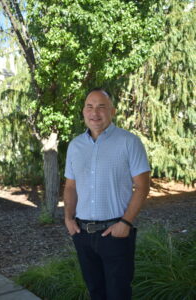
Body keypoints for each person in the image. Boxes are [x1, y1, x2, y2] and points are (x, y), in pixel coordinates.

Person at [63, 88, 150, 300]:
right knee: (96, 293)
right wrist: (68, 218)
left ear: (112, 111)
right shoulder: (75, 146)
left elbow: (143, 186)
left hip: (116, 233)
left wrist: (126, 223)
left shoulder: (129, 142)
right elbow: (71, 187)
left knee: (118, 294)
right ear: (83, 111)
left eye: (101, 107)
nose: (95, 112)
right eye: (89, 107)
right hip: (82, 233)